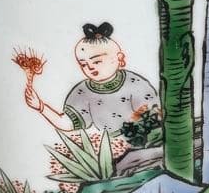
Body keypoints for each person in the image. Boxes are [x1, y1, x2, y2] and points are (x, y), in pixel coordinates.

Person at [24, 22, 158, 135]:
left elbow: (153, 115)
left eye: (97, 61)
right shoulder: (82, 91)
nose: (90, 67)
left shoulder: (134, 83)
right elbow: (68, 123)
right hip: (108, 147)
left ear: (120, 58)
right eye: (83, 64)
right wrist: (41, 107)